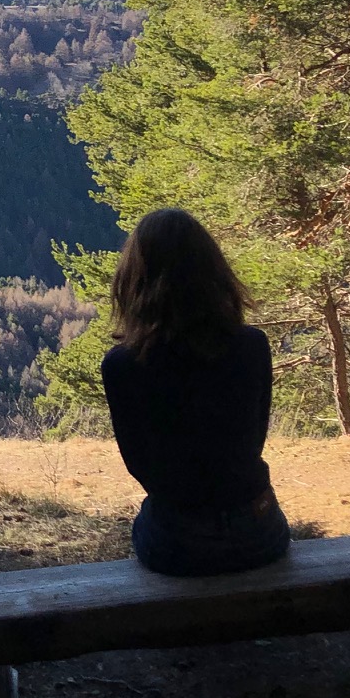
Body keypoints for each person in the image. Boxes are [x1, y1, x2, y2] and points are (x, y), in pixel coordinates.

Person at [99, 208, 290, 576]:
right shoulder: (252, 346)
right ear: (214, 272)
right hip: (259, 531)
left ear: (134, 281)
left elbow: (141, 467)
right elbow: (252, 442)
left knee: (145, 523)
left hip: (179, 544)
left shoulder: (123, 366)